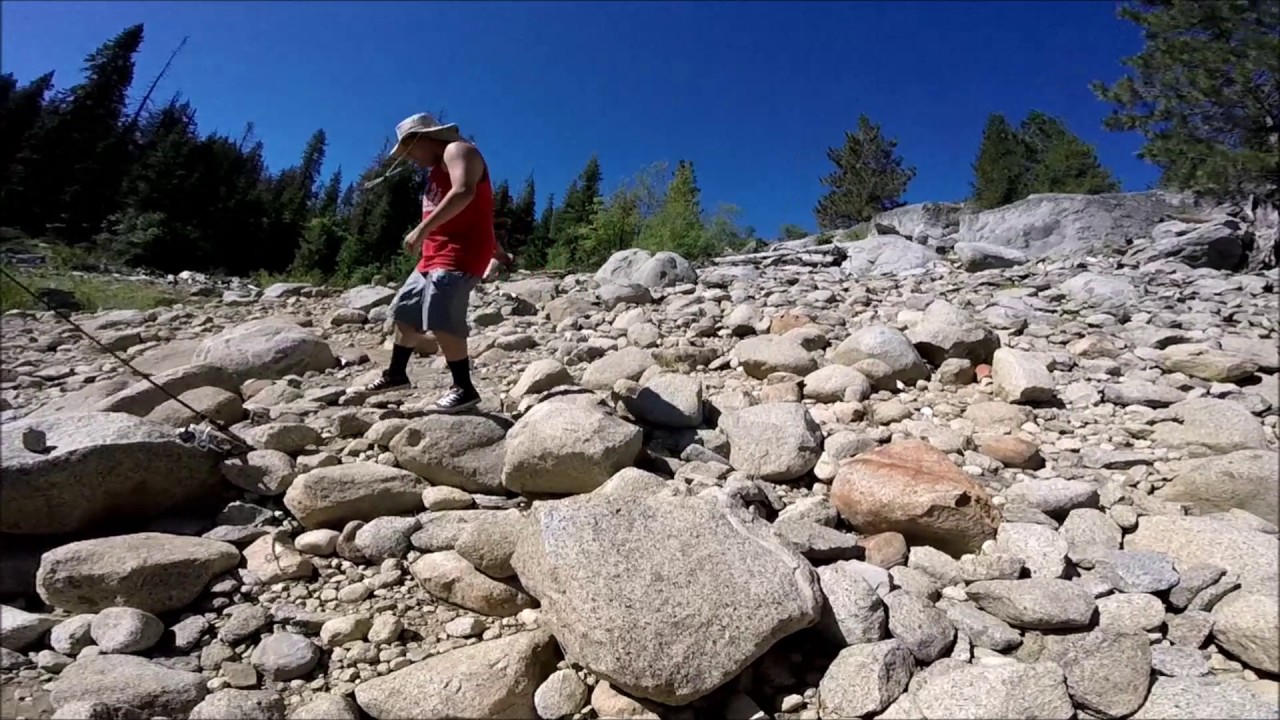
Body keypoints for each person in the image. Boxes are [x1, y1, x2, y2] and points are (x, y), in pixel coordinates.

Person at [355, 112, 511, 412]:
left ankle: (464, 388)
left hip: (460, 251)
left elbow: (465, 192)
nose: (411, 159)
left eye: (410, 151)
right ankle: (396, 373)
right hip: (433, 253)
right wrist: (500, 253)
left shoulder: (458, 150)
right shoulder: (434, 171)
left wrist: (420, 229)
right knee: (406, 309)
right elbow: (480, 215)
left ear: (421, 139)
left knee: (441, 310)